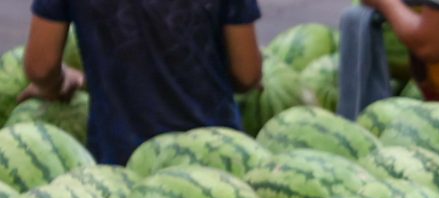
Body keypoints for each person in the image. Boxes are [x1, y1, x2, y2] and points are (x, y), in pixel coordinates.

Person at [17, 0, 261, 168]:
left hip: (122, 156)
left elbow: (41, 66)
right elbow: (247, 75)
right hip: (217, 154)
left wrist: (58, 82)